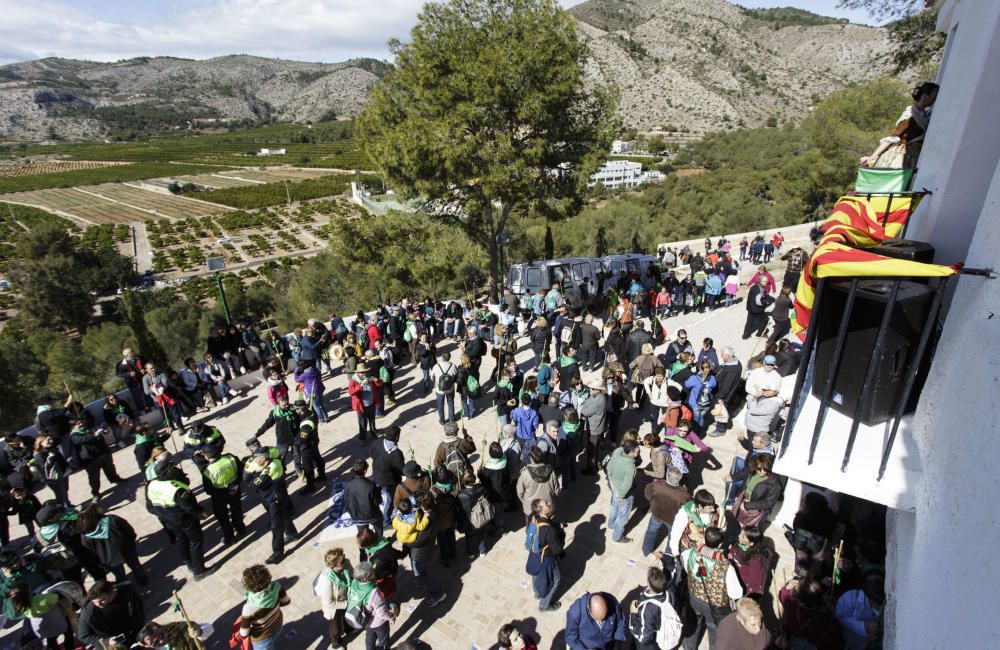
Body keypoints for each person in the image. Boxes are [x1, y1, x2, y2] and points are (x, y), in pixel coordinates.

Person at [145, 460, 212, 580]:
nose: (173, 468)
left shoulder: (152, 485)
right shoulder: (174, 488)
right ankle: (199, 570)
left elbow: (151, 506)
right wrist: (201, 513)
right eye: (171, 467)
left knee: (181, 539)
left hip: (170, 520)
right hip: (184, 519)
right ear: (168, 471)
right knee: (195, 541)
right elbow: (188, 506)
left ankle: (188, 562)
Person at [682, 527, 743, 649]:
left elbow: (685, 567)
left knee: (693, 622)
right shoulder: (726, 567)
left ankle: (689, 647)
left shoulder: (690, 553)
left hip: (694, 597)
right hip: (714, 606)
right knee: (714, 629)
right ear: (720, 544)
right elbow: (736, 593)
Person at [861, 81, 939, 169]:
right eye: (934, 97)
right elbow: (893, 137)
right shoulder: (910, 115)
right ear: (925, 96)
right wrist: (873, 157)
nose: (934, 100)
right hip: (903, 155)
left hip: (915, 154)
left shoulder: (924, 114)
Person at [245, 448, 298, 564]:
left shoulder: (271, 467)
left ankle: (278, 552)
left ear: (264, 458)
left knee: (276, 526)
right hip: (270, 496)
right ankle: (292, 533)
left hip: (273, 498)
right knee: (283, 514)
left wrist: (250, 469)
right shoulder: (273, 461)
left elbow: (252, 484)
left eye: (257, 458)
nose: (255, 461)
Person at [75, 503, 147, 586]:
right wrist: (132, 539)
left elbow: (90, 551)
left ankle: (126, 589)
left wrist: (100, 562)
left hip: (108, 559)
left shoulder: (85, 534)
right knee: (136, 566)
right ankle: (142, 581)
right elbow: (128, 529)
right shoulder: (112, 520)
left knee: (119, 575)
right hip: (126, 550)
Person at [778, 577, 844, 650]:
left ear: (799, 598)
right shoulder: (824, 608)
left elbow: (783, 594)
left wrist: (788, 587)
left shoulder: (794, 609)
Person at [77, 580, 145, 649]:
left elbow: (138, 611)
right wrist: (107, 641)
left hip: (135, 636)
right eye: (95, 602)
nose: (98, 604)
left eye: (102, 600)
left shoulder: (128, 591)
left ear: (112, 592)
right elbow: (84, 636)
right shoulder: (88, 612)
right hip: (114, 646)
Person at [201, 447, 247, 545]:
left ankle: (230, 537)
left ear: (207, 456)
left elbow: (209, 490)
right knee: (236, 510)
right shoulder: (230, 458)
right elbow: (241, 470)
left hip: (219, 497)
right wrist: (235, 485)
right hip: (235, 490)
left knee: (223, 517)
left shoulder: (207, 471)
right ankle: (241, 529)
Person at [629, 566, 683, 650]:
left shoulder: (648, 608)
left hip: (655, 644)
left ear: (649, 583)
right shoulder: (670, 590)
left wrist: (633, 613)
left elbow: (644, 638)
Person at [69, 419, 125, 500]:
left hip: (103, 453)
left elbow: (100, 435)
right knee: (94, 477)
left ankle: (115, 479)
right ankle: (95, 492)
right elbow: (83, 440)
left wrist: (104, 431)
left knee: (110, 468)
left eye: (82, 422)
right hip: (90, 459)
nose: (81, 424)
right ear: (73, 426)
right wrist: (95, 435)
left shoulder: (89, 429)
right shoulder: (74, 435)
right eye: (78, 424)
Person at [642, 466, 690, 559]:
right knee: (672, 537)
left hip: (656, 515)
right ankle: (668, 554)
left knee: (651, 532)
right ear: (679, 479)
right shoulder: (684, 494)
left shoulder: (656, 485)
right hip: (672, 519)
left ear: (667, 476)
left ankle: (646, 551)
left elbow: (648, 495)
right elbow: (686, 509)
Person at [240, 564, 290, 650]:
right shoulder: (277, 586)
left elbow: (244, 633)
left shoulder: (248, 608)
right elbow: (286, 601)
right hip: (278, 624)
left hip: (262, 638)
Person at [525, 498, 563, 612]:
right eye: (546, 504)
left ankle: (537, 593)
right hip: (547, 558)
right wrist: (560, 532)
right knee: (556, 580)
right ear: (541, 511)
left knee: (536, 572)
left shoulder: (533, 516)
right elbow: (557, 549)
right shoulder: (549, 530)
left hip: (534, 553)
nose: (549, 503)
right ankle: (544, 605)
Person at [254, 395, 301, 476]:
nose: (286, 406)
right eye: (284, 405)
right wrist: (257, 434)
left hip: (294, 436)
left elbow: (300, 418)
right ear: (278, 405)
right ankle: (281, 471)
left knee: (297, 455)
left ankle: (298, 469)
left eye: (287, 404)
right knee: (280, 458)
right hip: (282, 439)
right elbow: (267, 424)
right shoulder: (274, 413)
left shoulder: (293, 409)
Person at [732, 454, 782, 530]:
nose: (762, 472)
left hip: (758, 511)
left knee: (752, 531)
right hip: (745, 503)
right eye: (759, 468)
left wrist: (748, 505)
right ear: (755, 466)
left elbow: (769, 503)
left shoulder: (774, 484)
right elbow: (744, 484)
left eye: (765, 469)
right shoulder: (751, 473)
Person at [316, 547, 353, 649]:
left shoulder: (346, 563)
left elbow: (352, 574)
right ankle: (336, 643)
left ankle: (348, 629)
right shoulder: (327, 581)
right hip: (334, 609)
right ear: (334, 565)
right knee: (335, 628)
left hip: (345, 599)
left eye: (344, 557)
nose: (345, 560)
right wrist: (346, 604)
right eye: (342, 561)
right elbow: (329, 603)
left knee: (347, 617)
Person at [836, 574, 884, 650]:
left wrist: (877, 639)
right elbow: (840, 619)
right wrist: (864, 626)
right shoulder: (850, 597)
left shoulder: (888, 606)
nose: (873, 583)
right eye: (870, 581)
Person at [369, 426, 404, 531]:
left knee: (377, 492)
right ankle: (386, 522)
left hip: (376, 473)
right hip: (390, 481)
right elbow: (401, 469)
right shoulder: (396, 453)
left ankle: (376, 503)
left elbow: (371, 453)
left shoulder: (378, 441)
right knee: (390, 500)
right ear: (397, 437)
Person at [668, 489, 722, 557]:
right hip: (688, 549)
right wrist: (675, 551)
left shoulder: (716, 510)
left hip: (708, 548)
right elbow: (676, 532)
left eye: (713, 507)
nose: (713, 510)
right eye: (710, 508)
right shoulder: (685, 512)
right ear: (700, 506)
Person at [606, 440, 640, 543]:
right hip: (623, 492)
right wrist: (622, 495)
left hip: (614, 485)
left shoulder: (618, 451)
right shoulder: (630, 466)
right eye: (637, 451)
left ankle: (611, 524)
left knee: (614, 506)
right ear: (631, 453)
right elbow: (627, 484)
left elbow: (609, 466)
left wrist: (611, 479)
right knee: (623, 516)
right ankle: (617, 536)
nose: (638, 452)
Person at [516, 447, 560, 526]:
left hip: (530, 508)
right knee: (546, 526)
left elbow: (519, 492)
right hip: (547, 506)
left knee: (530, 527)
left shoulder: (525, 474)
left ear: (531, 459)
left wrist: (525, 502)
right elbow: (556, 490)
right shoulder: (551, 472)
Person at [727, 526, 773, 597]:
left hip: (741, 588)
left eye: (743, 536)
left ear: (751, 543)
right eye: (740, 534)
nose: (739, 536)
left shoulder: (756, 562)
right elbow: (732, 552)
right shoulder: (740, 544)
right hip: (732, 579)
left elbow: (755, 587)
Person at [32, 435, 71, 508]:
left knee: (65, 489)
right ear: (41, 443)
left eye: (51, 439)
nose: (51, 441)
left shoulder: (52, 449)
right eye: (48, 440)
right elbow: (44, 468)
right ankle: (64, 508)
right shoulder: (39, 455)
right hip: (53, 478)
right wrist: (50, 459)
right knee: (60, 493)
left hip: (62, 473)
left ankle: (67, 504)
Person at [347, 363, 383, 442]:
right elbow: (351, 392)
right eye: (362, 372)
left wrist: (377, 380)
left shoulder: (369, 376)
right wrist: (361, 385)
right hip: (361, 405)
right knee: (362, 423)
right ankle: (363, 438)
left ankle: (373, 432)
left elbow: (380, 384)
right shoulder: (353, 380)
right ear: (357, 373)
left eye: (365, 371)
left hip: (371, 402)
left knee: (372, 419)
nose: (364, 374)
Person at [135, 620, 211, 650]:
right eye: (155, 643)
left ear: (162, 627)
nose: (161, 641)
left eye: (161, 635)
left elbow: (210, 628)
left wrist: (199, 632)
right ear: (148, 646)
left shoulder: (180, 628)